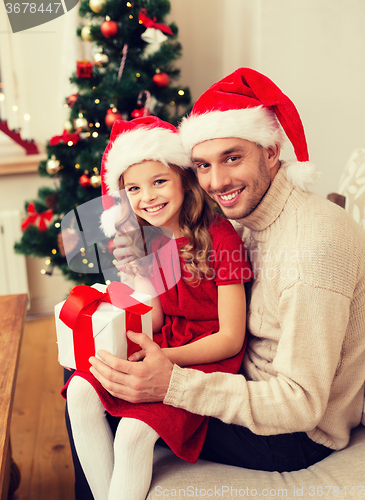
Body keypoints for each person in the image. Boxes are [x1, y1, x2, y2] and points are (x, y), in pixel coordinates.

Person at [88, 68, 365, 474]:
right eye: (202, 165)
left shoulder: (312, 247)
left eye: (232, 158)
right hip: (239, 375)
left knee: (110, 398)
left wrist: (172, 383)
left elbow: (300, 404)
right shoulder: (242, 217)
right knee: (90, 366)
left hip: (291, 434)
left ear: (271, 151)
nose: (216, 182)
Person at [62, 116, 252, 500]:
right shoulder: (147, 237)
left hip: (204, 356)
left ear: (183, 178)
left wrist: (164, 358)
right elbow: (158, 317)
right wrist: (134, 278)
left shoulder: (221, 237)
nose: (147, 196)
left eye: (159, 181)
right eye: (134, 188)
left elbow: (231, 338)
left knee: (133, 433)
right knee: (81, 389)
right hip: (164, 340)